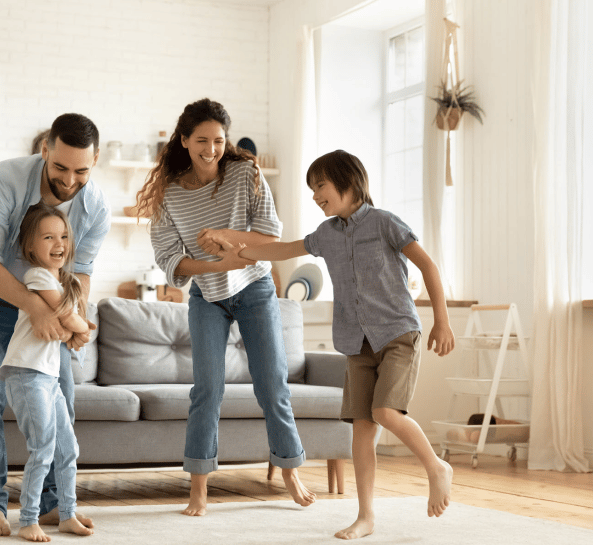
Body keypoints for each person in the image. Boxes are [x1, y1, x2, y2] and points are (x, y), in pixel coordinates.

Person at [228, 149, 455, 540]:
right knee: (361, 429)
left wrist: (443, 322)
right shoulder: (326, 236)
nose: (315, 195)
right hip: (356, 343)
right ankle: (365, 515)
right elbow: (286, 249)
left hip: (398, 334)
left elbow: (428, 266)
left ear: (349, 181)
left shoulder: (385, 223)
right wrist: (240, 252)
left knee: (384, 412)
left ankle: (437, 466)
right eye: (312, 188)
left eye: (321, 185)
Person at [135, 98, 317, 517]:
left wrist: (223, 236)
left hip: (254, 289)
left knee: (272, 385)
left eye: (219, 140)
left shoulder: (245, 172)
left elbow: (270, 232)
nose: (211, 149)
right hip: (208, 296)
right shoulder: (169, 194)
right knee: (207, 391)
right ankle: (198, 488)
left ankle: (289, 470)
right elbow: (169, 259)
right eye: (202, 140)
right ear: (184, 140)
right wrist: (218, 262)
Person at [0, 113, 111, 537]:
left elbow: (83, 272)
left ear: (95, 161)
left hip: (51, 307)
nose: (70, 179)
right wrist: (37, 309)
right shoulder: (2, 181)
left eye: (82, 170)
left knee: (62, 405)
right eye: (60, 167)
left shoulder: (95, 206)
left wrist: (71, 316)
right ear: (44, 151)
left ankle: (55, 504)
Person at [0, 202, 94, 542]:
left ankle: (67, 514)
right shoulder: (37, 275)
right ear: (30, 247)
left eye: (64, 236)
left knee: (68, 449)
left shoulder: (61, 280)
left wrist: (77, 328)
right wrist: (81, 329)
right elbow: (71, 319)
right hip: (25, 373)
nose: (59, 244)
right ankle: (28, 520)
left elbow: (70, 323)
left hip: (48, 377)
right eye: (48, 237)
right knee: (43, 448)